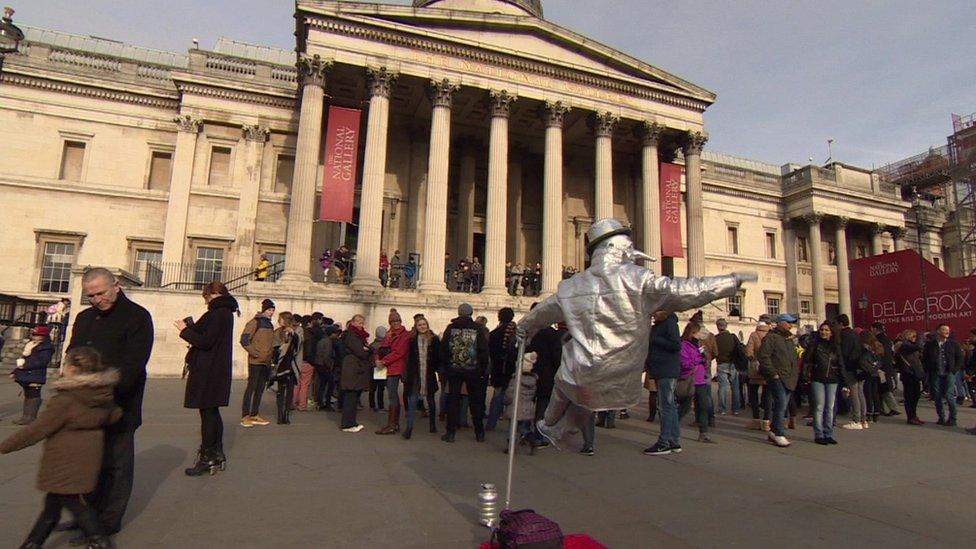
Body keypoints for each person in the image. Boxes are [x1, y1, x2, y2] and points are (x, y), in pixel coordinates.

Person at [519, 218, 753, 448]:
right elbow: (684, 291)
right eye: (628, 247)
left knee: (568, 386)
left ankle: (549, 425)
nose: (632, 252)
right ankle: (555, 429)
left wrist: (524, 328)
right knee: (588, 398)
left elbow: (541, 312)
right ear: (613, 247)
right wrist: (729, 281)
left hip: (580, 368)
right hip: (621, 370)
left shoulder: (570, 286)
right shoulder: (639, 279)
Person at [2, 347, 121, 549]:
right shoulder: (101, 395)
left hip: (64, 458)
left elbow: (38, 429)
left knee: (72, 502)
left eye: (66, 364)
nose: (63, 367)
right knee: (54, 504)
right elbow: (115, 415)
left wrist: (5, 446)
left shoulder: (66, 400)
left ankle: (99, 540)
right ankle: (33, 543)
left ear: (73, 369)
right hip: (88, 454)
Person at [65, 268, 153, 540]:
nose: (96, 300)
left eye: (101, 293)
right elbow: (72, 355)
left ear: (115, 286)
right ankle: (86, 517)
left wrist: (98, 389)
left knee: (116, 466)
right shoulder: (84, 317)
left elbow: (133, 366)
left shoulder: (138, 317)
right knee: (88, 465)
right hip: (84, 407)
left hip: (118, 406)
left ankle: (107, 522)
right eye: (90, 295)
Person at [175, 281, 239, 475]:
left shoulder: (217, 313)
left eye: (206, 298)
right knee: (212, 411)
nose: (206, 302)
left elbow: (206, 341)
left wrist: (184, 330)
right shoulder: (226, 313)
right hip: (216, 368)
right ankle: (216, 453)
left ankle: (207, 457)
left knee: (207, 414)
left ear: (213, 294)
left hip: (208, 369)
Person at [440, 303, 490, 443]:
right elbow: (483, 350)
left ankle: (450, 433)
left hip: (454, 369)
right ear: (471, 313)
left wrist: (445, 367)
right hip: (472, 370)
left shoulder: (451, 328)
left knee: (453, 401)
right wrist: (482, 369)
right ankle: (479, 432)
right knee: (475, 402)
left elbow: (444, 349)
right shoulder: (477, 329)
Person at [643, 310, 683, 455]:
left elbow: (675, 345)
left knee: (665, 406)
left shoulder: (669, 324)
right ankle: (674, 440)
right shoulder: (660, 325)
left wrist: (655, 339)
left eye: (656, 311)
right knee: (669, 406)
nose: (653, 313)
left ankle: (664, 442)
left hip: (666, 369)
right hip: (662, 369)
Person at [758, 313, 799, 448]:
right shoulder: (771, 338)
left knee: (782, 406)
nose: (791, 325)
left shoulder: (788, 339)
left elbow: (793, 358)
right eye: (788, 323)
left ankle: (774, 431)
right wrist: (773, 373)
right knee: (781, 404)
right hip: (777, 376)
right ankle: (779, 433)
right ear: (781, 323)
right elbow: (764, 357)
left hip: (789, 377)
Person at [240, 299, 275, 428]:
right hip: (255, 361)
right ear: (264, 310)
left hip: (265, 362)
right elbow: (244, 340)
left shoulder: (270, 325)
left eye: (272, 310)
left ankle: (254, 414)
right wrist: (255, 353)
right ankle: (245, 416)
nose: (271, 313)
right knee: (251, 388)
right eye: (269, 310)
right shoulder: (255, 322)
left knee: (260, 389)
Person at [403, 316, 441, 438]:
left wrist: (436, 368)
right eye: (419, 325)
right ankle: (409, 428)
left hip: (428, 374)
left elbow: (439, 356)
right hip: (415, 374)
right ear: (416, 326)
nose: (422, 327)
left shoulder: (434, 339)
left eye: (424, 324)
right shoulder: (412, 339)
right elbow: (408, 357)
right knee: (412, 400)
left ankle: (432, 425)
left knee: (431, 400)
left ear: (427, 325)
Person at [677, 322, 714, 443]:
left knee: (703, 406)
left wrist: (704, 358)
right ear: (693, 333)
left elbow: (705, 361)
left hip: (701, 380)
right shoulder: (684, 345)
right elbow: (685, 363)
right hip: (689, 379)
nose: (701, 334)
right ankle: (672, 425)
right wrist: (698, 358)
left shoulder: (699, 344)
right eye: (699, 332)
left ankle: (703, 433)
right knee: (685, 407)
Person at [806, 322, 842, 445]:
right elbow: (807, 361)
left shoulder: (836, 346)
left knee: (830, 407)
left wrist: (845, 380)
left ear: (831, 332)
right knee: (819, 406)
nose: (824, 332)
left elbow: (840, 363)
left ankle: (828, 433)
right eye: (822, 329)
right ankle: (819, 434)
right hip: (818, 377)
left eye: (826, 330)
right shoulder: (814, 344)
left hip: (832, 379)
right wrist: (805, 375)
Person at [11, 326, 54, 425]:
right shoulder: (30, 345)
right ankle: (25, 416)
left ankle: (31, 417)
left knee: (33, 394)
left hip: (36, 374)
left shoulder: (46, 347)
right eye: (34, 335)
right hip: (26, 373)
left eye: (38, 335)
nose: (35, 337)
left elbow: (42, 361)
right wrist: (15, 371)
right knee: (28, 394)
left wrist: (25, 365)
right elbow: (24, 359)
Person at [922, 323, 964, 427]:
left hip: (949, 373)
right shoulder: (930, 344)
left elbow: (960, 358)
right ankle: (941, 417)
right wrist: (928, 370)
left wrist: (954, 370)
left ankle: (952, 419)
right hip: (935, 373)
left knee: (949, 395)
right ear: (938, 331)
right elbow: (925, 358)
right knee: (937, 396)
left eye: (948, 330)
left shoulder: (953, 344)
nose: (947, 331)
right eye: (944, 329)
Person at [376, 309, 409, 435]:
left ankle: (392, 424)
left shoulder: (403, 335)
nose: (395, 323)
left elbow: (399, 352)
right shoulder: (389, 334)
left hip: (394, 367)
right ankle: (393, 424)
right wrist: (379, 361)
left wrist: (383, 361)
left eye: (397, 321)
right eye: (393, 321)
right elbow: (381, 349)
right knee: (388, 392)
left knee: (392, 395)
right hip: (385, 366)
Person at [486, 308, 518, 431]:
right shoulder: (515, 333)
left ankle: (491, 424)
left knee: (498, 396)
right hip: (512, 369)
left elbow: (491, 353)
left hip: (499, 368)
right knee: (513, 397)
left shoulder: (495, 334)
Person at [339, 315, 372, 432]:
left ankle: (351, 422)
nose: (360, 325)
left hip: (354, 369)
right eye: (358, 322)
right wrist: (367, 351)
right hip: (353, 369)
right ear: (352, 322)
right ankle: (348, 424)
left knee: (353, 397)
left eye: (362, 323)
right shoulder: (352, 335)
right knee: (351, 397)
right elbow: (360, 352)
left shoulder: (355, 335)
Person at [504, 351, 539, 453]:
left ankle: (511, 446)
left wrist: (506, 401)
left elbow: (510, 394)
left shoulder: (515, 380)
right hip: (528, 406)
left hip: (516, 406)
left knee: (512, 429)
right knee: (523, 427)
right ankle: (531, 438)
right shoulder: (533, 381)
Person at [273, 316, 302, 425]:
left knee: (290, 391)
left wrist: (293, 334)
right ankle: (280, 415)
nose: (279, 321)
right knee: (280, 391)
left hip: (292, 364)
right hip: (281, 364)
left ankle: (286, 414)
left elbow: (298, 345)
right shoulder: (277, 332)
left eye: (280, 319)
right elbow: (274, 347)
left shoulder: (297, 331)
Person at [895, 329, 925, 425]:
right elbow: (918, 346)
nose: (915, 338)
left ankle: (914, 415)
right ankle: (911, 417)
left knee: (916, 395)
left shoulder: (909, 346)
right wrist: (921, 335)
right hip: (908, 373)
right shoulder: (903, 346)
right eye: (913, 336)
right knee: (910, 396)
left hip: (913, 373)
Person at [745, 321, 772, 431]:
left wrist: (753, 359)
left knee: (753, 394)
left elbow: (748, 352)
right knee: (768, 395)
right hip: (768, 368)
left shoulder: (754, 335)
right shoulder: (771, 335)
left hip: (756, 369)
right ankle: (766, 421)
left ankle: (756, 420)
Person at [295, 315, 324, 412]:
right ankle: (302, 405)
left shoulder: (297, 332)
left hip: (297, 360)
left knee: (297, 383)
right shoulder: (312, 334)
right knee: (305, 384)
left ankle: (293, 402)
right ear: (309, 322)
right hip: (308, 361)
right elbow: (310, 349)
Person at [714, 318, 741, 416]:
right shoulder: (732, 337)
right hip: (733, 363)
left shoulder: (715, 338)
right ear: (726, 326)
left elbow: (714, 352)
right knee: (735, 387)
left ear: (717, 326)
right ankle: (736, 409)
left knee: (722, 387)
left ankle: (722, 409)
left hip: (721, 363)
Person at [314, 324, 339, 411]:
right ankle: (327, 403)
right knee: (330, 385)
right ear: (332, 334)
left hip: (318, 364)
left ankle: (320, 402)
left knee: (322, 384)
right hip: (324, 366)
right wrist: (329, 366)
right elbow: (326, 356)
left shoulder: (322, 341)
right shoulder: (328, 342)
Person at [370, 326, 388, 412]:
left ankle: (372, 405)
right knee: (380, 388)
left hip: (372, 366)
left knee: (372, 388)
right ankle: (380, 406)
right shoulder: (383, 346)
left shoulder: (372, 345)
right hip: (380, 367)